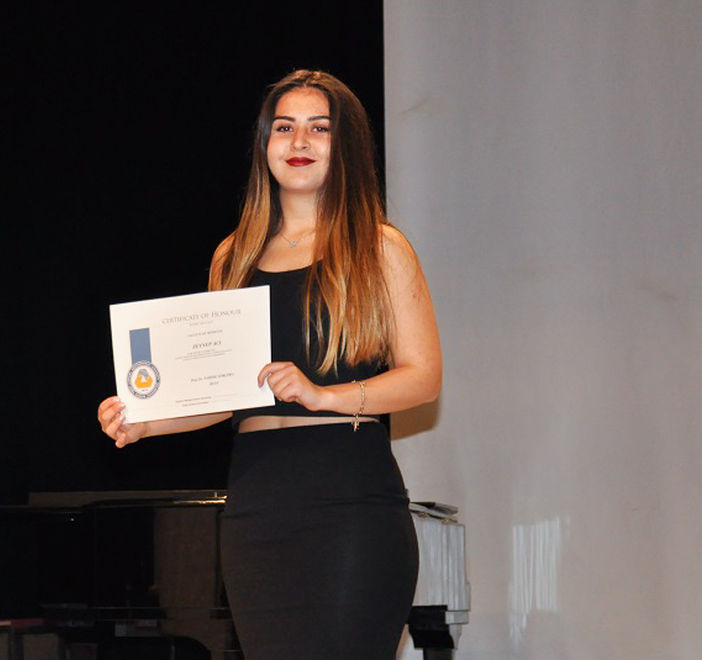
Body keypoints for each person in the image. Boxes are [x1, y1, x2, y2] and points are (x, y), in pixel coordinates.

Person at [97, 70, 441, 659]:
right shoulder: (232, 255)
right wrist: (147, 422)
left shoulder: (381, 247)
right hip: (257, 508)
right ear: (265, 144)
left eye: (319, 128)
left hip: (350, 502)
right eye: (284, 128)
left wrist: (325, 395)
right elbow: (226, 392)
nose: (299, 142)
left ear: (345, 145)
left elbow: (424, 376)